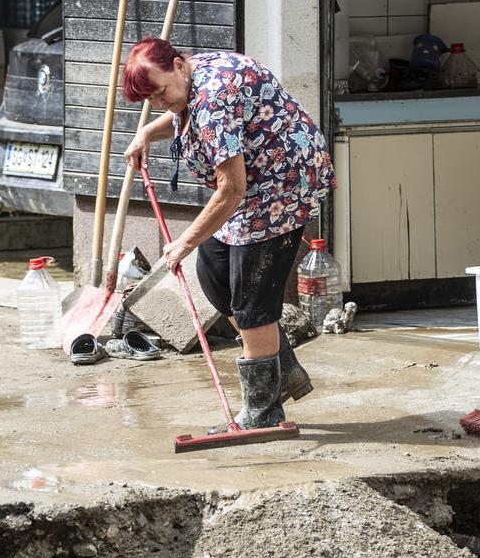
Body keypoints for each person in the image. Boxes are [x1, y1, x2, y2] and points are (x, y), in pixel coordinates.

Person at [121, 38, 334, 431]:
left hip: (280, 187)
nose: (161, 104)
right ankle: (282, 370)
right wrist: (146, 133)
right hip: (250, 188)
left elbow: (231, 189)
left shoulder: (216, 95)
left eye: (162, 93)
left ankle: (262, 411)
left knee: (252, 303)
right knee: (216, 274)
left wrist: (184, 241)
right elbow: (183, 112)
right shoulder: (190, 80)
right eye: (151, 100)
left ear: (180, 65)